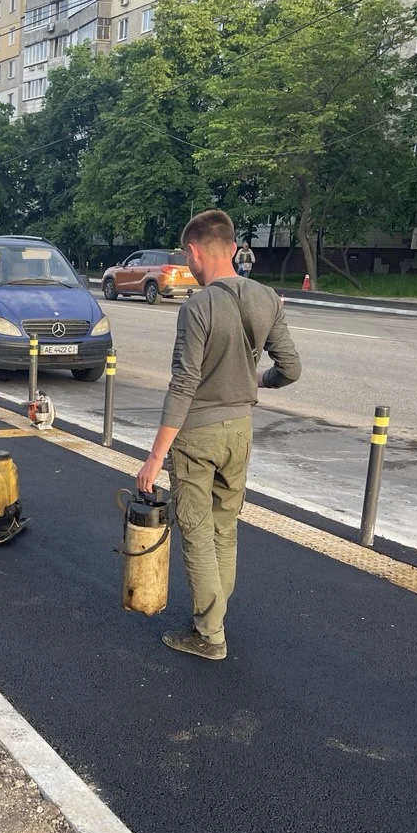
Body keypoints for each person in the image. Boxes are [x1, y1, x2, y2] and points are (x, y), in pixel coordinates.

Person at [136, 209, 301, 660]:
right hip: (240, 432)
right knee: (225, 528)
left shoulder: (197, 306)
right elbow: (291, 369)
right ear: (232, 248)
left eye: (185, 256)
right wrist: (258, 380)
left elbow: (184, 384)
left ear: (194, 252)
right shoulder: (267, 298)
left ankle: (209, 636)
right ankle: (214, 617)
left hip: (197, 436)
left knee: (196, 531)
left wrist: (155, 457)